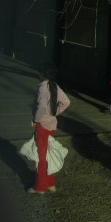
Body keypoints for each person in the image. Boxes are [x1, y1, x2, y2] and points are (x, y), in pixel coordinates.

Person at [29, 65, 70, 194]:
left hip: (42, 125)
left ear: (42, 74)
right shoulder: (54, 85)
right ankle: (51, 184)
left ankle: (40, 187)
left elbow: (41, 106)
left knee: (41, 157)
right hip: (52, 124)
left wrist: (36, 120)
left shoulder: (42, 88)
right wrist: (54, 112)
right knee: (48, 155)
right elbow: (66, 101)